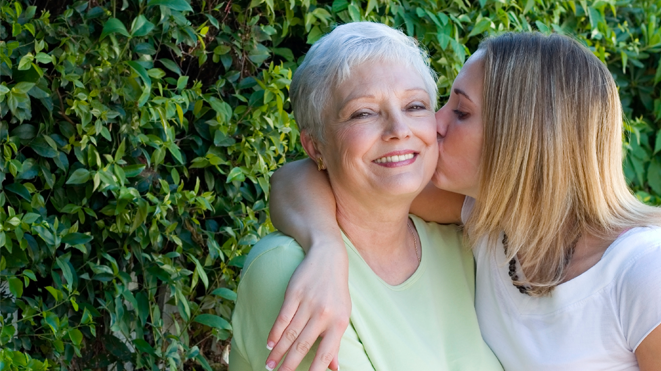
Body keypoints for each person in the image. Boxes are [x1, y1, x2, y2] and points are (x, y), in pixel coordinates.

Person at [265, 32, 661, 371]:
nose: (432, 124)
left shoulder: (642, 273)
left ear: (521, 138)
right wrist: (325, 248)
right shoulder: (491, 223)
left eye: (462, 111)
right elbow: (306, 173)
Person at [228, 22, 502, 371]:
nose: (399, 130)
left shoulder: (466, 243)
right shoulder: (288, 270)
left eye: (415, 106)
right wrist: (325, 244)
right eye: (364, 113)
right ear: (315, 147)